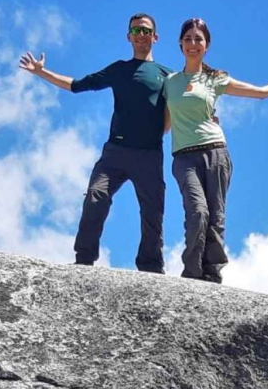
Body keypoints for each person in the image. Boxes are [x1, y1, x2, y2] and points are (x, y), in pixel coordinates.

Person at [162, 18, 268, 283]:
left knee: (215, 217)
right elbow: (165, 125)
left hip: (215, 152)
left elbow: (260, 92)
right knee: (197, 212)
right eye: (188, 38)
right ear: (180, 43)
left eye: (198, 39)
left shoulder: (215, 79)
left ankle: (211, 274)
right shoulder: (170, 82)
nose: (193, 43)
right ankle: (192, 274)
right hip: (184, 157)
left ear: (207, 45)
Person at [18, 14, 172, 272]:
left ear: (155, 37)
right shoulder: (119, 69)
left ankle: (151, 267)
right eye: (136, 30)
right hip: (115, 152)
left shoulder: (167, 75)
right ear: (129, 36)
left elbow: (186, 104)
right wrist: (41, 72)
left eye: (146, 31)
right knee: (95, 197)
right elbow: (77, 85)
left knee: (153, 211)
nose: (141, 35)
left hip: (149, 154)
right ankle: (84, 260)